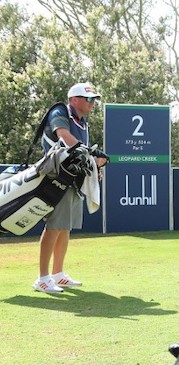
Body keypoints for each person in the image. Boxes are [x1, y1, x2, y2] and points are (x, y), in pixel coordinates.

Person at [33, 82, 108, 294]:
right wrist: (92, 156)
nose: (92, 103)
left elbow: (80, 151)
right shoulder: (60, 111)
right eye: (89, 99)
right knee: (55, 225)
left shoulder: (82, 122)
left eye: (94, 100)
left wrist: (93, 166)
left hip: (73, 178)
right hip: (56, 177)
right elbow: (64, 137)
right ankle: (42, 278)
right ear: (74, 99)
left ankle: (57, 273)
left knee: (65, 226)